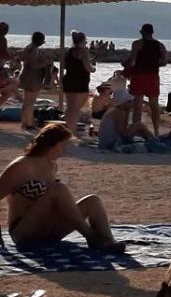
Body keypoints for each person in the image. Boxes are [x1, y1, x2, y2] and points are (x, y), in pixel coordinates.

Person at [0, 123, 124, 251]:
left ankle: (108, 241)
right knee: (58, 189)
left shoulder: (51, 166)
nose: (64, 151)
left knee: (92, 201)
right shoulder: (22, 166)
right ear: (51, 145)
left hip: (48, 228)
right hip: (23, 231)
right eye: (63, 146)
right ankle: (91, 237)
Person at [124, 24, 167, 136]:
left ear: (142, 32)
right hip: (153, 75)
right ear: (152, 32)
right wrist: (154, 64)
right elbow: (164, 62)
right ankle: (156, 130)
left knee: (138, 104)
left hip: (139, 75)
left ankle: (136, 129)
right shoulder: (160, 45)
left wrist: (125, 65)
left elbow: (132, 59)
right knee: (154, 104)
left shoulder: (137, 43)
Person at [62, 31, 95, 134]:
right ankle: (71, 131)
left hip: (69, 80)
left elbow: (63, 65)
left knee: (70, 107)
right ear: (83, 41)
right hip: (80, 81)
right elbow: (88, 67)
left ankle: (68, 128)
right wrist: (93, 68)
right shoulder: (83, 52)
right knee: (76, 108)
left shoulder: (68, 52)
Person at [17, 32, 47, 130]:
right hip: (33, 77)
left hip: (25, 76)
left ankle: (24, 122)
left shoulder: (28, 47)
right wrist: (44, 63)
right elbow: (34, 66)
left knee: (26, 101)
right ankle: (29, 123)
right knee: (30, 102)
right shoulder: (34, 50)